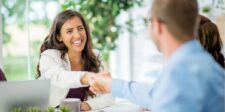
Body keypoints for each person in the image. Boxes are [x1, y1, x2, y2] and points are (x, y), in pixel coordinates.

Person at [89, 0, 225, 112]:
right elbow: (156, 94)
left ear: (157, 25)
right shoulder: (203, 64)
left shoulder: (180, 73)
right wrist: (112, 85)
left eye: (148, 22)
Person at [37, 10, 114, 111]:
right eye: (69, 31)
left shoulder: (95, 55)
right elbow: (59, 78)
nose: (77, 35)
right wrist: (86, 77)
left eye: (80, 29)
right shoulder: (49, 56)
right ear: (59, 37)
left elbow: (109, 95)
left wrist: (88, 104)